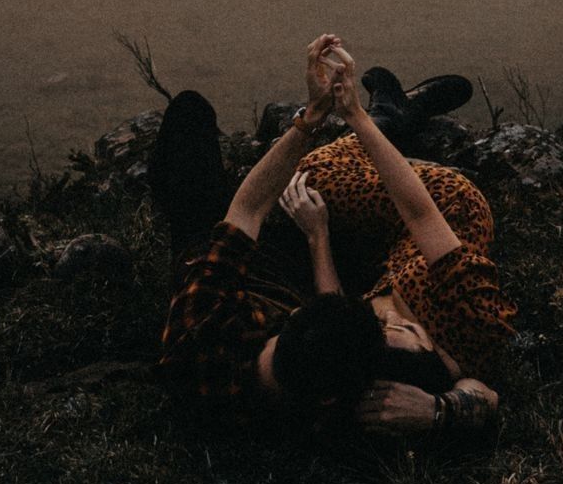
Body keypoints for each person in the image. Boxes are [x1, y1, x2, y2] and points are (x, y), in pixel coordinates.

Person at [152, 34, 514, 437]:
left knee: (190, 115)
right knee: (320, 182)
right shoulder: (353, 403)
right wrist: (438, 412)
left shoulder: (203, 326)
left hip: (228, 263)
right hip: (324, 257)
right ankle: (388, 120)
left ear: (295, 315)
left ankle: (388, 119)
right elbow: (483, 397)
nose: (390, 322)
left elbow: (248, 210)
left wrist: (311, 118)